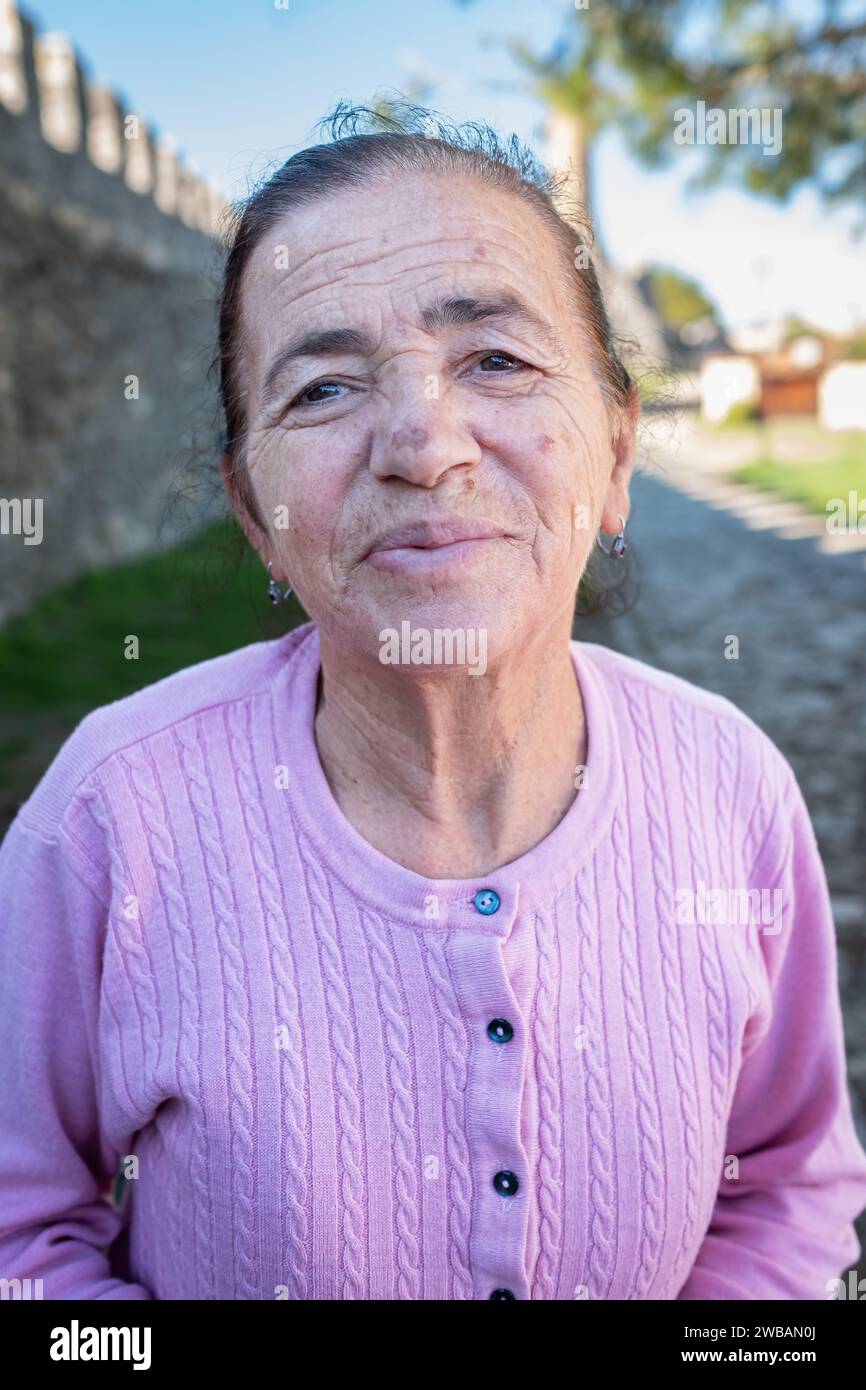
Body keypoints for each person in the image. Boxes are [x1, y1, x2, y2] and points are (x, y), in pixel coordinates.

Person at [1, 104, 865, 1301]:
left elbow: (786, 1181)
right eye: (321, 389)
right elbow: (17, 1240)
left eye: (497, 361)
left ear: (616, 457)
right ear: (256, 515)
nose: (420, 441)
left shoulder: (733, 792)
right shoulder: (107, 822)